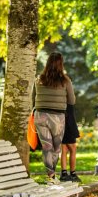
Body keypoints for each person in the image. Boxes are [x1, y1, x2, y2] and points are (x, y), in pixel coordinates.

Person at [32, 52, 76, 185]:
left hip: (40, 115)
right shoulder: (65, 80)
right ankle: (52, 176)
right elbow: (72, 100)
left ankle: (50, 176)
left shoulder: (39, 79)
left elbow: (34, 97)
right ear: (60, 64)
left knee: (46, 147)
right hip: (57, 117)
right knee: (56, 148)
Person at [59, 103, 81, 182]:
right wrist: (74, 130)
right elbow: (71, 115)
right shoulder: (68, 99)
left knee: (64, 150)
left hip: (60, 124)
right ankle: (73, 174)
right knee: (73, 149)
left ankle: (64, 174)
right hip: (68, 124)